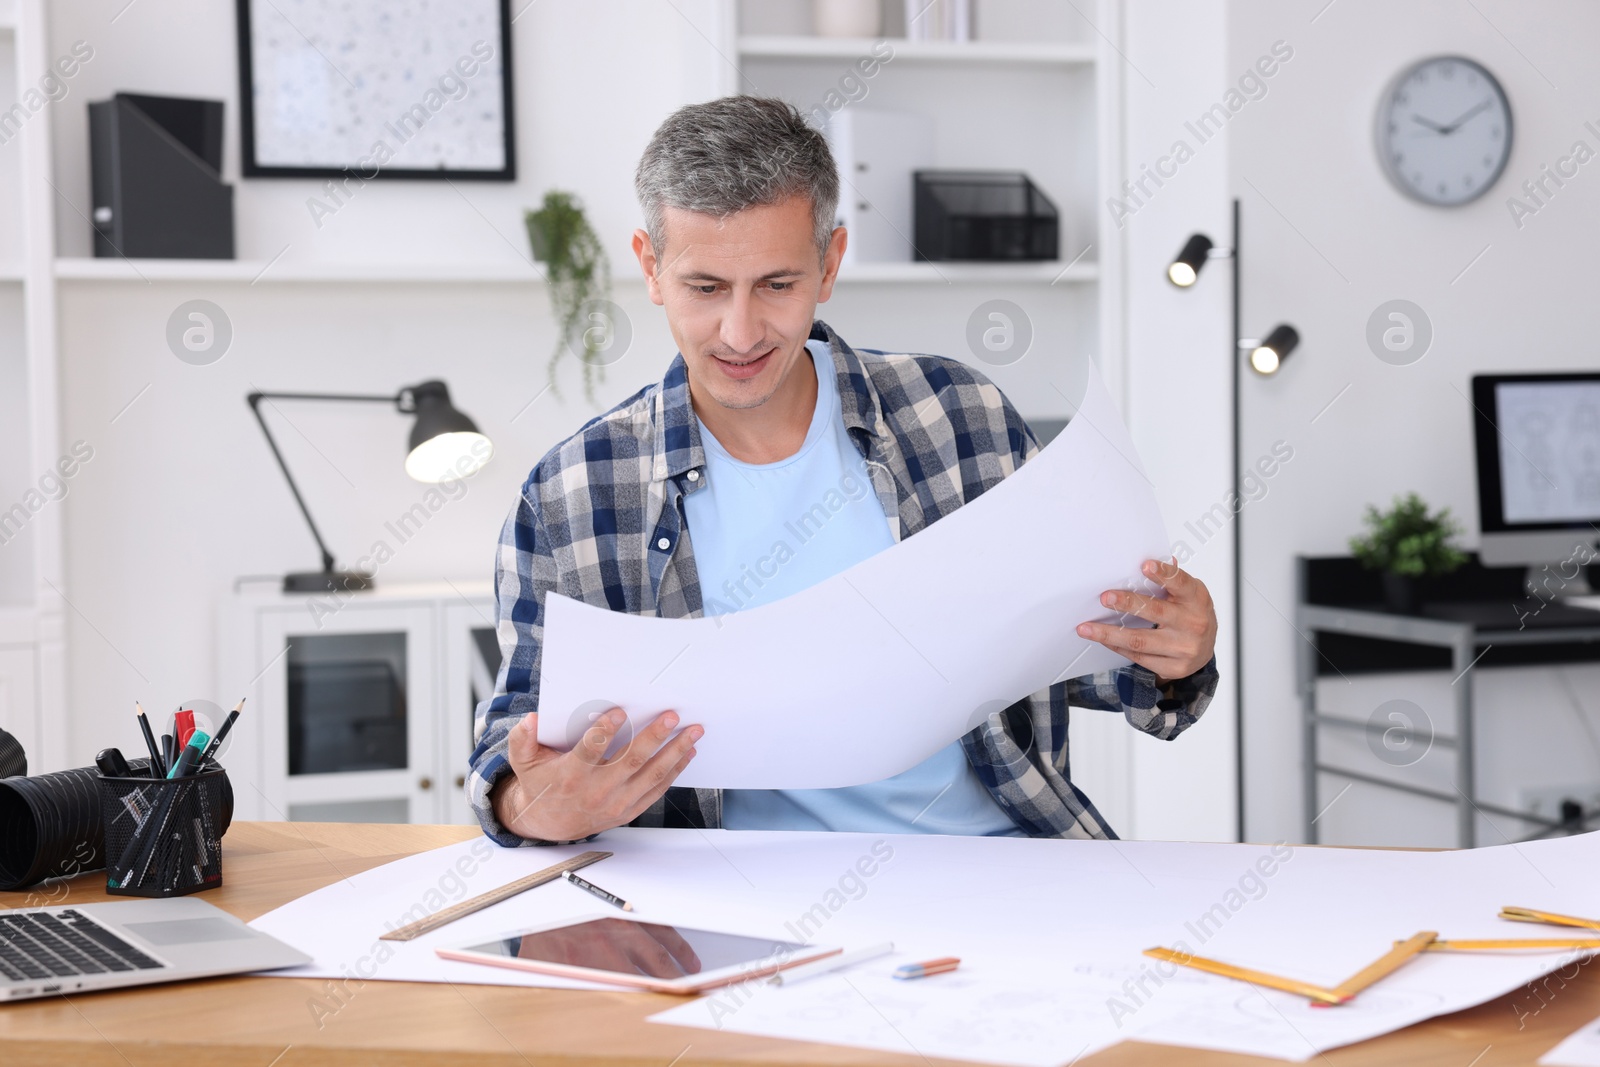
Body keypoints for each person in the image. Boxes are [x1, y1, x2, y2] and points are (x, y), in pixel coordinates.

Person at [468, 95, 1218, 846]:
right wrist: (530, 805)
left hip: (1003, 873)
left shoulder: (962, 417)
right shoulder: (571, 494)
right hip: (732, 905)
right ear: (651, 267)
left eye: (777, 284)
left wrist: (1175, 651)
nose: (740, 331)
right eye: (705, 288)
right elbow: (508, 751)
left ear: (829, 264)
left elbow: (1085, 655)